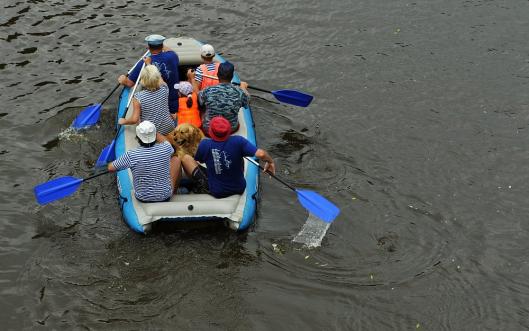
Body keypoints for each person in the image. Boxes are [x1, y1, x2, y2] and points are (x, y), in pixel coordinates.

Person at [180, 116, 275, 199]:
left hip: (217, 191)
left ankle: (196, 186)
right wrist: (270, 162)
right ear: (229, 130)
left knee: (186, 158)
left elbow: (198, 160)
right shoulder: (239, 141)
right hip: (239, 188)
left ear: (210, 131)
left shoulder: (205, 144)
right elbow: (261, 154)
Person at [108, 121, 181, 203]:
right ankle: (174, 192)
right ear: (155, 135)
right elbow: (165, 142)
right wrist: (152, 132)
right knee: (176, 160)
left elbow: (111, 168)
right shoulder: (166, 148)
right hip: (165, 196)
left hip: (143, 198)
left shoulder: (131, 155)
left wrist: (109, 164)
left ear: (138, 137)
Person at [118, 34, 180, 114]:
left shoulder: (143, 64)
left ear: (149, 47)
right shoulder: (173, 56)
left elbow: (130, 83)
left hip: (156, 105)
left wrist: (123, 80)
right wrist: (161, 45)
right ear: (162, 46)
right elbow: (170, 51)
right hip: (173, 102)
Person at [119, 65, 175, 138]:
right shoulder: (165, 88)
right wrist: (148, 64)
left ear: (142, 81)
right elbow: (161, 80)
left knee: (139, 120)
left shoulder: (138, 97)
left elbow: (134, 119)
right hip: (169, 127)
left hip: (151, 131)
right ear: (158, 77)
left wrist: (124, 121)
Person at [198, 61, 249, 133]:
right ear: (232, 76)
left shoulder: (207, 90)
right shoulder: (240, 92)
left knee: (202, 108)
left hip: (209, 129)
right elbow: (247, 101)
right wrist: (243, 87)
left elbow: (199, 100)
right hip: (231, 129)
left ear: (218, 75)